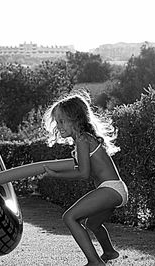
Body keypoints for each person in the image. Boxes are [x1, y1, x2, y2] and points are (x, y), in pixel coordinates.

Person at [40, 92, 128, 266]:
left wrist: (55, 175)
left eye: (61, 121)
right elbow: (82, 168)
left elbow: (83, 173)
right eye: (56, 122)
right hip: (116, 189)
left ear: (76, 119)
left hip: (110, 189)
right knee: (92, 224)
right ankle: (109, 252)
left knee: (70, 217)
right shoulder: (84, 139)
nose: (58, 126)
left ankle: (94, 262)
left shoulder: (82, 139)